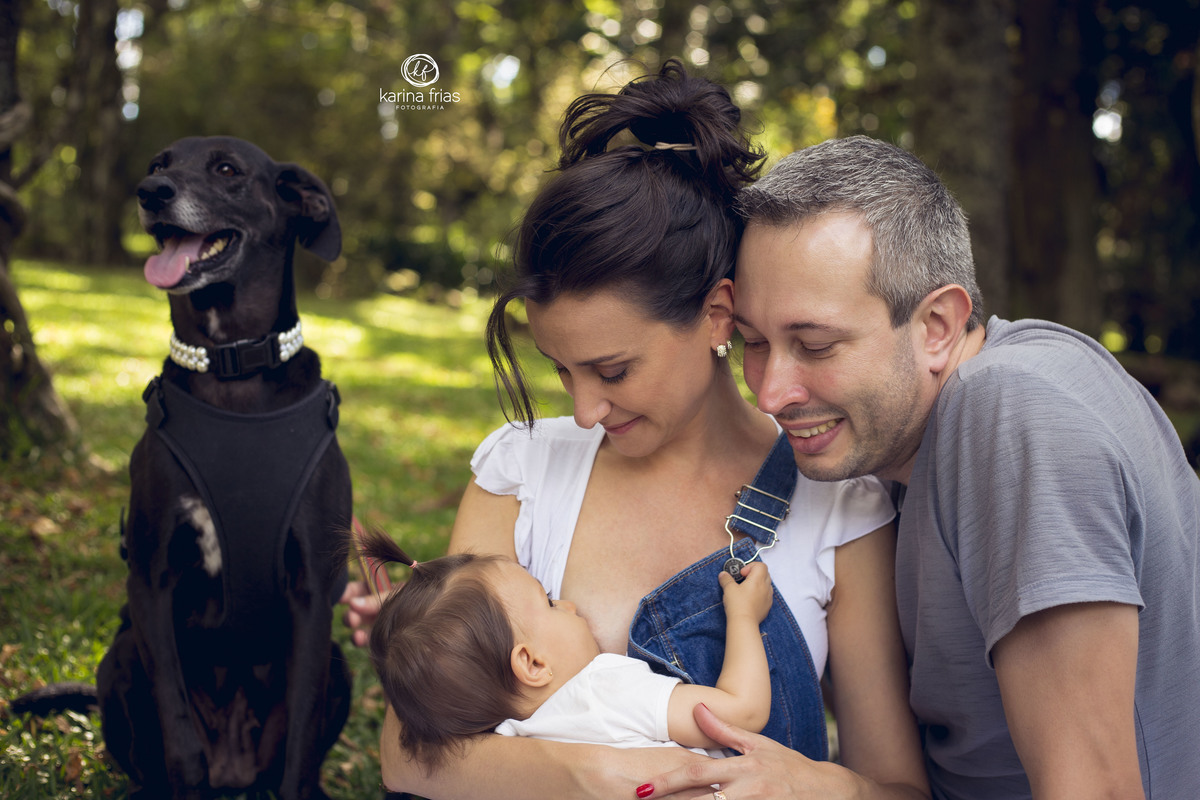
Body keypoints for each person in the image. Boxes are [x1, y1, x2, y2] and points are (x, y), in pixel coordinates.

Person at [343, 63, 929, 799]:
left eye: (612, 371)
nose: (585, 410)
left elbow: (896, 787)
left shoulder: (839, 508)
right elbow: (407, 754)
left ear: (718, 315)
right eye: (562, 371)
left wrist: (802, 786)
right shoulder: (523, 473)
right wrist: (584, 774)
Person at [639, 135, 1200, 799]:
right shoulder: (922, 443)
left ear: (937, 325)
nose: (770, 392)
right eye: (755, 345)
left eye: (814, 346)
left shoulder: (1012, 413)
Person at [356, 527, 775, 766]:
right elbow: (743, 712)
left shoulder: (512, 738)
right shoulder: (604, 692)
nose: (570, 605)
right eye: (551, 602)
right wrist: (742, 616)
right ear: (532, 664)